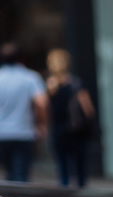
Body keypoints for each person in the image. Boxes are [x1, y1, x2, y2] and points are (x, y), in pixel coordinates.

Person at [46, 49, 95, 189]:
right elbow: (88, 109)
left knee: (63, 171)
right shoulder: (76, 83)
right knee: (81, 171)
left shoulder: (50, 85)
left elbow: (45, 109)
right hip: (77, 130)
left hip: (59, 130)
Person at [0, 43, 47, 183]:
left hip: (2, 134)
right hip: (23, 133)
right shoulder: (31, 77)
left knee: (8, 174)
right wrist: (42, 125)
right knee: (21, 176)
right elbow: (41, 103)